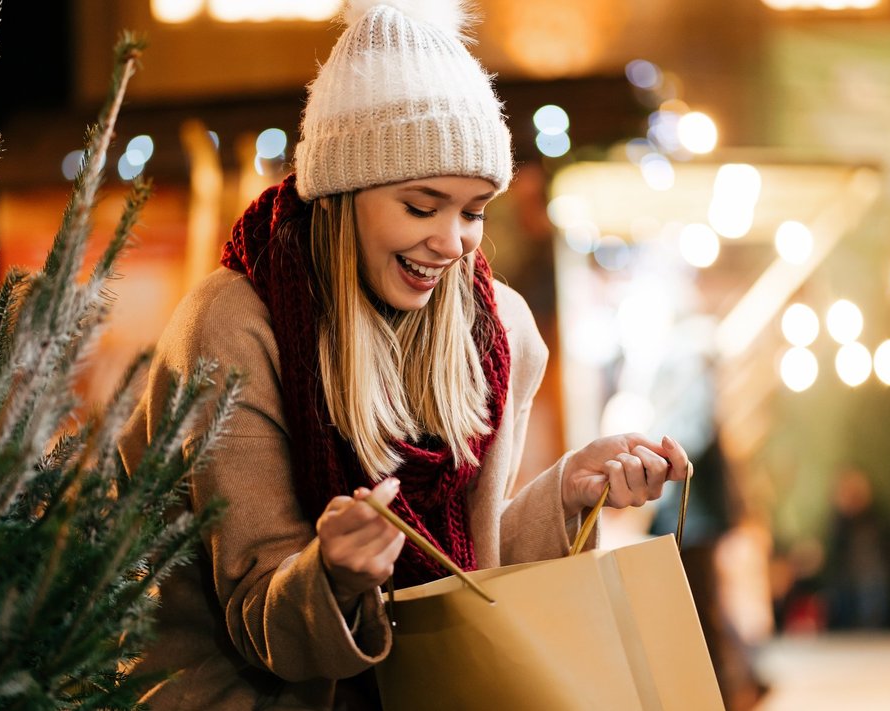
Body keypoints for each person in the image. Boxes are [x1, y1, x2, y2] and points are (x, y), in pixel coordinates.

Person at [118, 1, 691, 709]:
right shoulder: (234, 325)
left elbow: (463, 579)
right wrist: (332, 572)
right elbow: (256, 615)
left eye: (474, 210)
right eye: (423, 207)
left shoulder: (496, 334)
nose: (452, 242)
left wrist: (570, 490)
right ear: (343, 191)